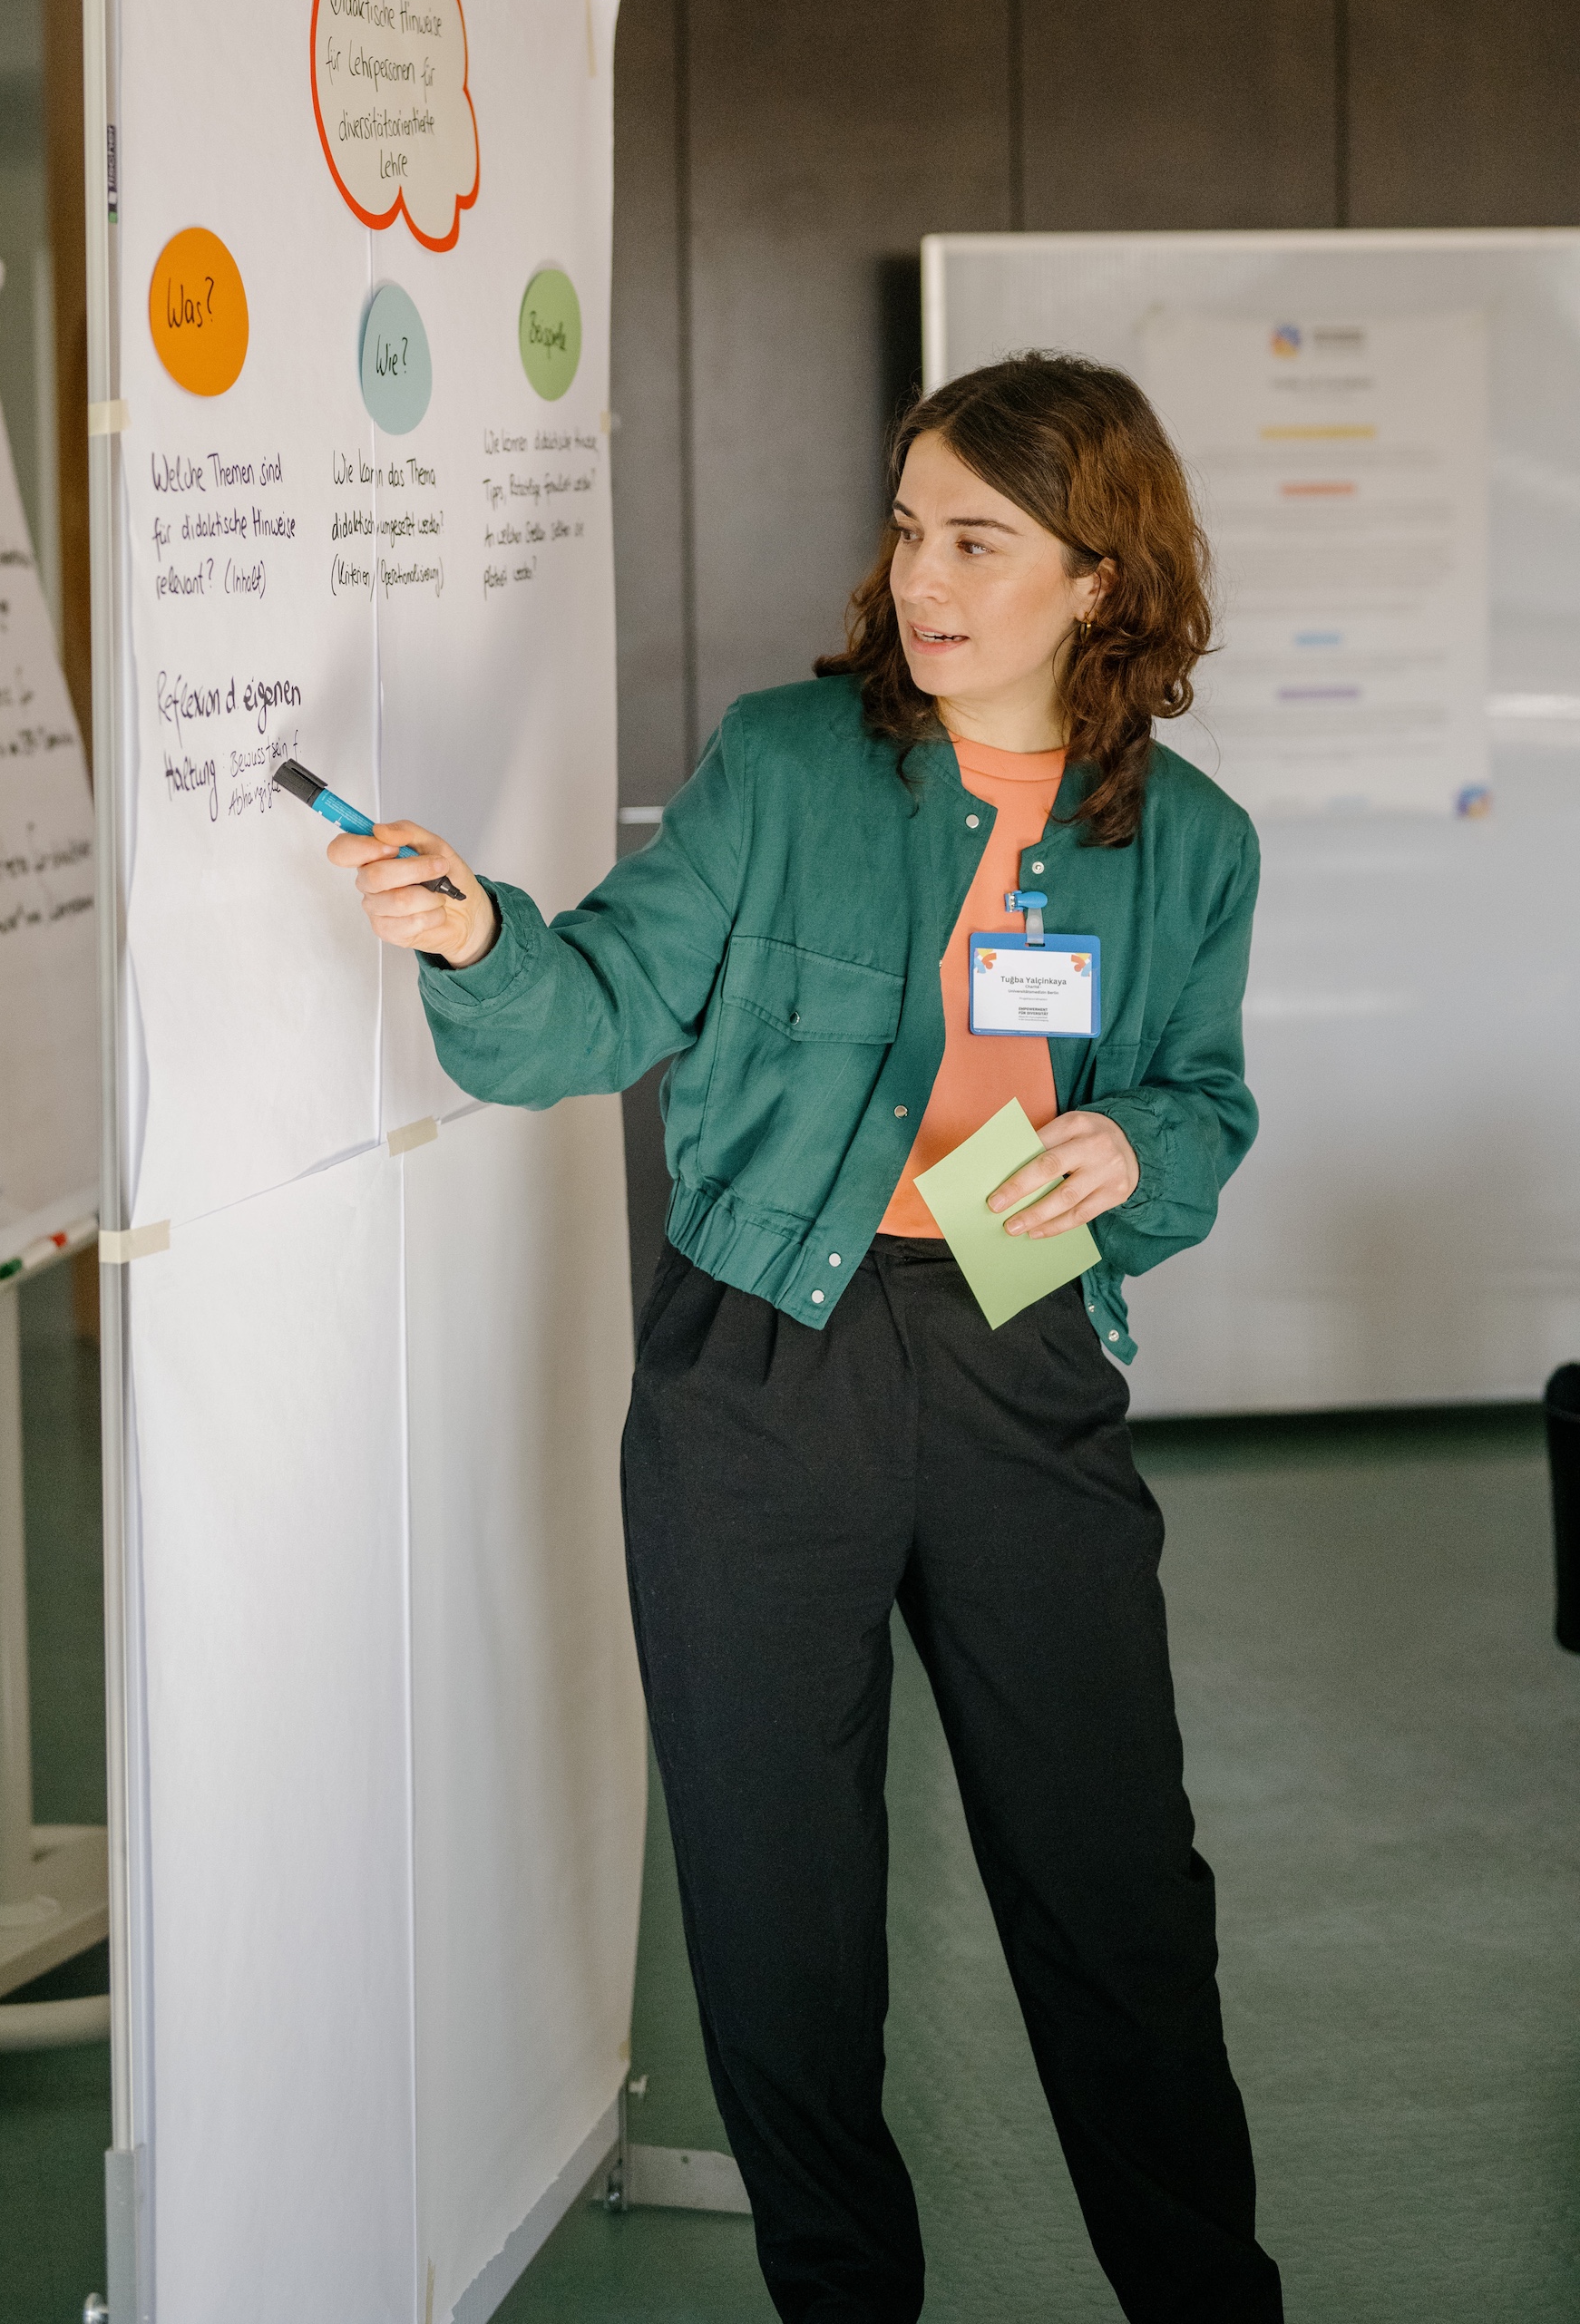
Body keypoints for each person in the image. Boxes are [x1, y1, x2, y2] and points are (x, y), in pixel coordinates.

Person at [330, 351, 1283, 2324]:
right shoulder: (785, 764)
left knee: (1114, 1890)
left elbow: (1202, 1103)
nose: (922, 578)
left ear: (1097, 578)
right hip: (762, 1366)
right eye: (909, 528)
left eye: (978, 542)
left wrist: (1135, 1145)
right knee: (782, 1915)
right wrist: (478, 938)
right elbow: (598, 1007)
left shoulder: (1191, 841)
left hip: (1023, 1358)